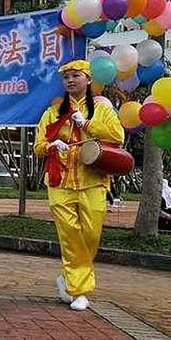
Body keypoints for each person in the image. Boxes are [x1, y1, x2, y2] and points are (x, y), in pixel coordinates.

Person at [34, 60, 124, 313]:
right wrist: (52, 146)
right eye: (66, 77)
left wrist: (85, 123)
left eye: (76, 76)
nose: (70, 80)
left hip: (93, 181)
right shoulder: (52, 112)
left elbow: (117, 136)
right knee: (70, 235)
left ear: (88, 79)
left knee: (90, 235)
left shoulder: (103, 110)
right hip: (59, 182)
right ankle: (80, 290)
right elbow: (38, 146)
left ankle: (68, 275)